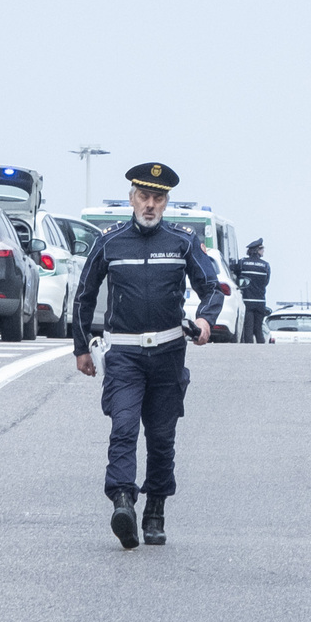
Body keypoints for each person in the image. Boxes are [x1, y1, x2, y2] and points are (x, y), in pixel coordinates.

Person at [73, 162, 223, 549]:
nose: (150, 204)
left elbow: (211, 288)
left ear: (166, 202)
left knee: (160, 437)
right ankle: (123, 501)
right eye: (144, 196)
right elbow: (85, 295)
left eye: (158, 198)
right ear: (132, 199)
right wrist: (80, 349)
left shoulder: (183, 241)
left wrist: (205, 322)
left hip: (169, 353)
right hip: (123, 352)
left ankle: (155, 509)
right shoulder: (109, 241)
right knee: (123, 428)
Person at [232, 238, 271, 343]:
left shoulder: (242, 263)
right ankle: (261, 349)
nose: (263, 251)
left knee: (248, 329)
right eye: (262, 249)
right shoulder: (265, 266)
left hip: (247, 301)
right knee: (258, 330)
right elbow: (266, 282)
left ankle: (249, 351)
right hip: (260, 302)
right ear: (257, 250)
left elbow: (235, 275)